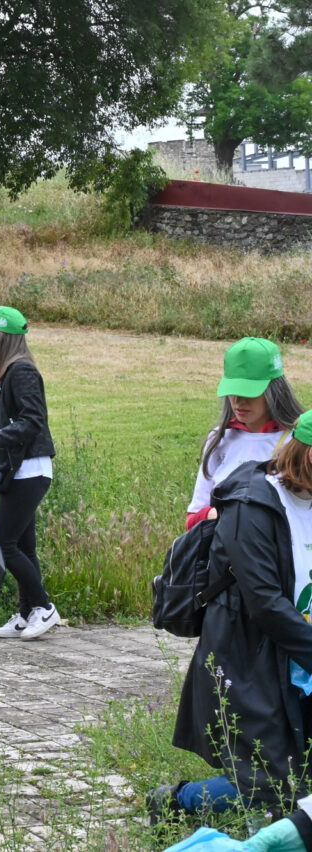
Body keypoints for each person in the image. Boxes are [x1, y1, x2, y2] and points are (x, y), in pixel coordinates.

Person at [150, 411, 312, 824]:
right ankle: (175, 801)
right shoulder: (250, 505)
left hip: (297, 653)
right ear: (307, 457)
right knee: (267, 781)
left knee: (299, 777)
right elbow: (264, 602)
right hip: (248, 653)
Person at [0, 306, 60, 641]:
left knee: (3, 542)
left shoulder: (21, 372)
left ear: (0, 336)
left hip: (31, 470)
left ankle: (44, 606)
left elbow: (32, 420)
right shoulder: (7, 374)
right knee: (24, 545)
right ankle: (26, 614)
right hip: (15, 471)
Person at [186, 337, 303, 531]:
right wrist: (216, 515)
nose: (239, 401)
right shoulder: (219, 440)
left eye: (249, 391)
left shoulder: (297, 442)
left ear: (274, 390)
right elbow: (192, 520)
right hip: (224, 557)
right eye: (233, 390)